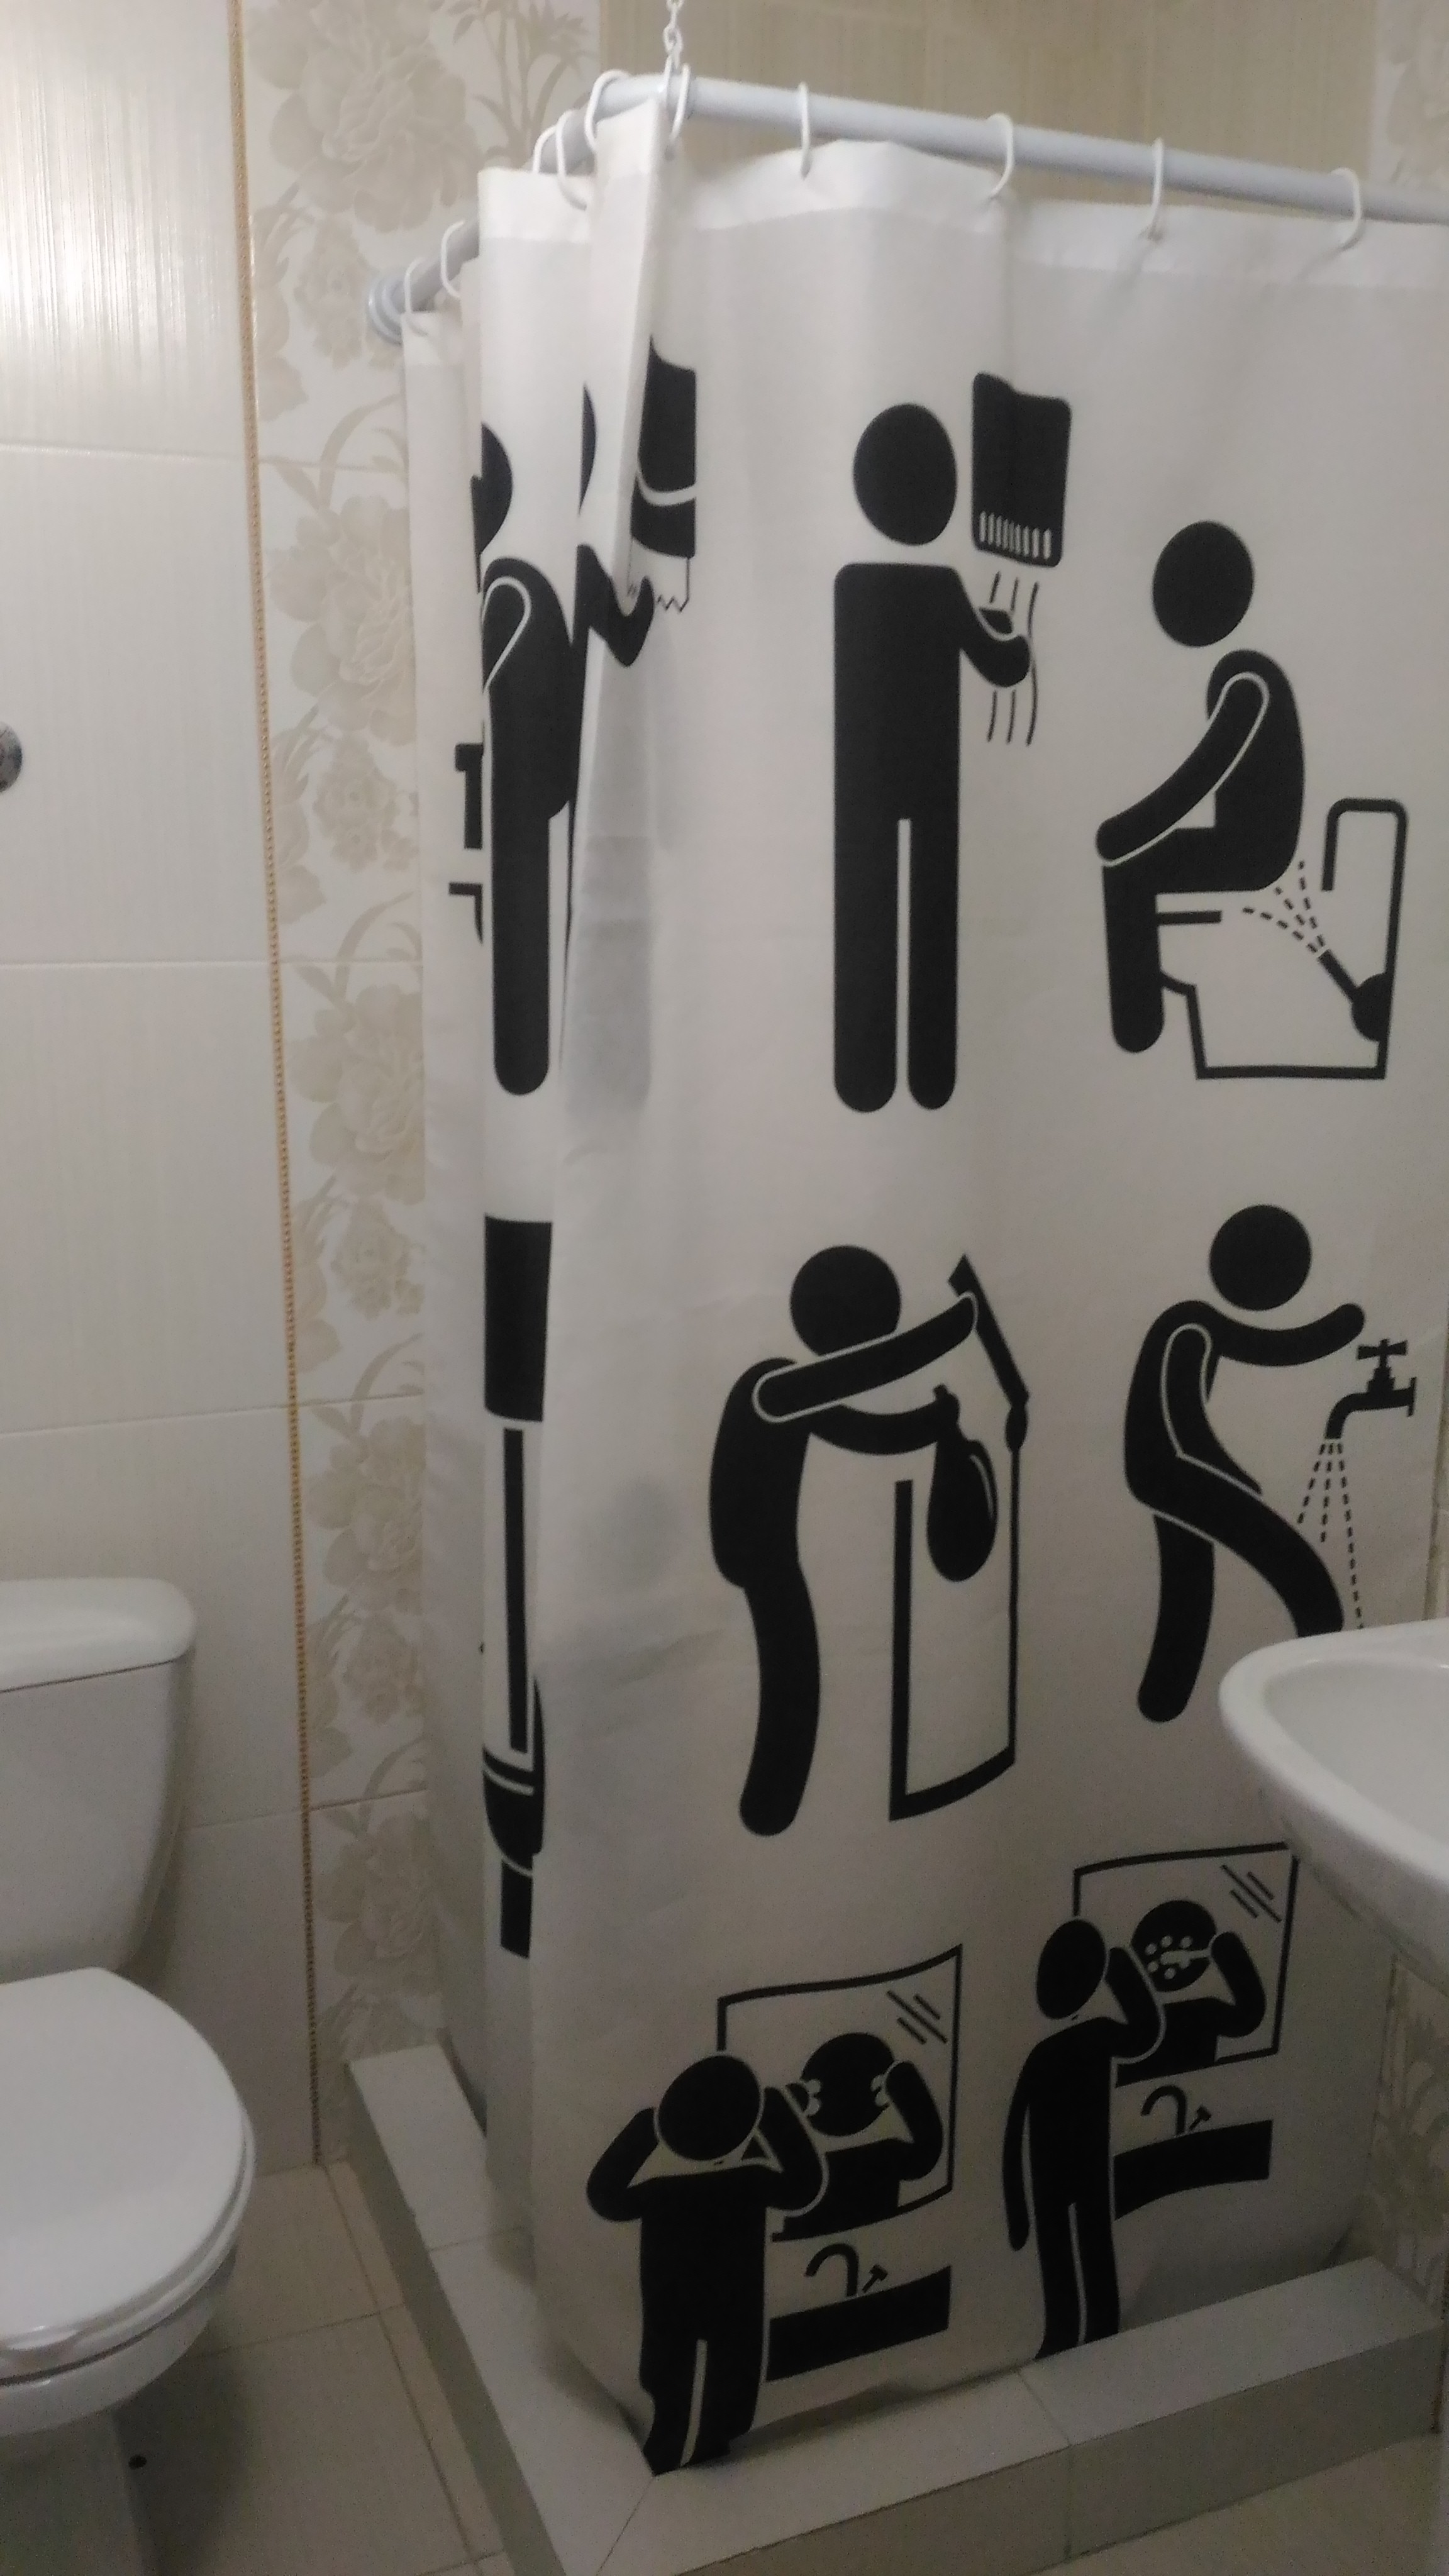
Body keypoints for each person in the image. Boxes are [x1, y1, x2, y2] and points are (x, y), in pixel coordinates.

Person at [710, 1246, 983, 1836]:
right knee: (792, 1670)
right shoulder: (772, 1386)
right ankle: (769, 1807)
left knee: (795, 1672)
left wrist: (935, 1423)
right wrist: (957, 1325)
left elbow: (863, 1431)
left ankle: (770, 1806)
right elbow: (867, 1378)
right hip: (758, 1555)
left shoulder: (796, 1393)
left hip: (770, 1554)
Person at [835, 404, 1032, 1111]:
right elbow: (1003, 666)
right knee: (932, 919)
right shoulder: (945, 586)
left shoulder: (852, 585)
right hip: (932, 779)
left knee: (865, 915)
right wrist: (1014, 625)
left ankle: (862, 1076)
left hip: (862, 780)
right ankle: (931, 1074)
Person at [469, 422, 655, 1095]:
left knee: (530, 929)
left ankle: (535, 1071)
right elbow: (628, 637)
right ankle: (547, 1083)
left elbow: (623, 639)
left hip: (528, 784)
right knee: (558, 924)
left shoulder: (506, 576)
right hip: (559, 780)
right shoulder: (551, 569)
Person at [1124, 1202, 1362, 1723]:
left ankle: (1163, 1696)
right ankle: (1320, 1640)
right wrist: (1344, 1326)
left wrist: (1217, 1464)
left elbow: (1251, 1357)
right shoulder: (1190, 1326)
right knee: (1291, 1563)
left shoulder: (1192, 1324)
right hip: (1172, 1470)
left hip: (1163, 1471)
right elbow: (1184, 1405)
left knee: (1188, 1580)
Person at [1097, 521, 1302, 1057]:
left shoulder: (1247, 682)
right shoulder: (1241, 673)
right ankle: (1138, 1022)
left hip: (1256, 848)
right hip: (1240, 837)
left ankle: (1139, 1025)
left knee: (1133, 870)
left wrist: (1127, 832)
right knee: (1131, 865)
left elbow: (1204, 774)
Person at [586, 2053, 824, 2470]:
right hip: (734, 2302)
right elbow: (804, 2185)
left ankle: (669, 2441)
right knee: (732, 2380)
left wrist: (646, 2128)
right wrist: (774, 2113)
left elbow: (605, 2196)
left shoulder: (660, 2191)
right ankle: (710, 2442)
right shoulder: (751, 2180)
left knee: (669, 2383)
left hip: (671, 2304)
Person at [1002, 1920, 1162, 2356]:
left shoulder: (1047, 2053)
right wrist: (1118, 1968)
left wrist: (1017, 2212)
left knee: (1071, 2248)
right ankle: (1085, 2325)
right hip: (1078, 2164)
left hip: (1057, 2170)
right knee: (1089, 2244)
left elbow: (1014, 2132)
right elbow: (1145, 2031)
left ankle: (1077, 2326)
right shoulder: (1095, 2035)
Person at [777, 2030, 944, 2236]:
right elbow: (926, 2152)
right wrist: (904, 2081)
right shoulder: (886, 2155)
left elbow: (925, 2155)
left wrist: (787, 2108)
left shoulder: (807, 2166)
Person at [1118, 1900, 1266, 2085]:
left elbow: (1247, 2016)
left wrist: (1227, 1949)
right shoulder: (1204, 2011)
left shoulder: (1205, 2011)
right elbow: (1247, 2015)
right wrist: (1227, 1948)